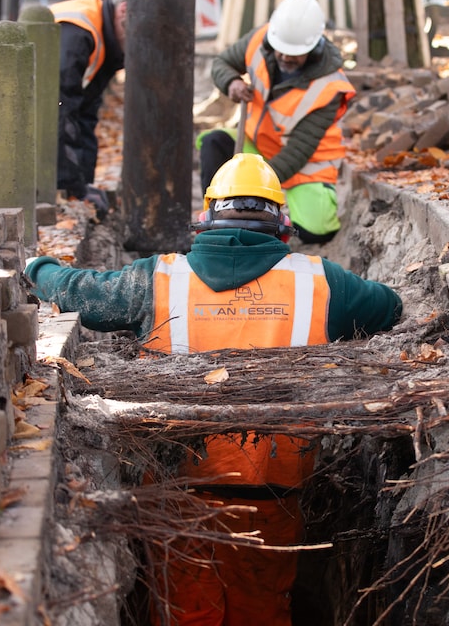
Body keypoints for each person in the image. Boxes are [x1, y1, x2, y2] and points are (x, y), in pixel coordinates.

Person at [24, 153, 402, 626]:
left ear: (207, 219)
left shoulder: (157, 279)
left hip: (175, 494)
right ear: (282, 223)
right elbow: (390, 308)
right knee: (261, 611)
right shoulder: (323, 283)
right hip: (272, 493)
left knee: (185, 611)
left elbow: (80, 291)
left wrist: (37, 267)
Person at [200, 0, 355, 245]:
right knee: (214, 143)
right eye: (280, 50)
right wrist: (231, 83)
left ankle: (271, 214)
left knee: (316, 232)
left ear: (314, 48)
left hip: (306, 165)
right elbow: (222, 63)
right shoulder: (260, 40)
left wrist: (252, 189)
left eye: (294, 54)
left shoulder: (329, 87)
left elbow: (298, 151)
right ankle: (217, 214)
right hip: (257, 144)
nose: (284, 57)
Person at [48, 0, 127, 215]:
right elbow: (62, 111)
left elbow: (84, 114)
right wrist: (74, 188)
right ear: (124, 11)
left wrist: (84, 185)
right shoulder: (79, 32)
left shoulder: (104, 37)